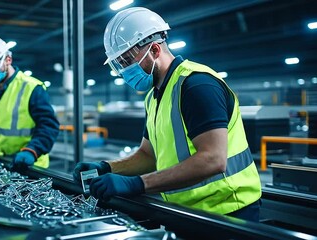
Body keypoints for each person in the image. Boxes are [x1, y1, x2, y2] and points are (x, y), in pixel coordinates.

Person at [73, 7, 262, 222]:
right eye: (120, 64)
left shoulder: (196, 85)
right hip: (188, 212)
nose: (124, 70)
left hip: (227, 213)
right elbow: (147, 156)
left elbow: (213, 159)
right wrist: (106, 167)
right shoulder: (153, 97)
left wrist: (137, 183)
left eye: (127, 61)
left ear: (154, 50)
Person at [0, 36, 60, 170]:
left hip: (31, 165)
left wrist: (32, 150)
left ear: (8, 59)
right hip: (2, 159)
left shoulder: (31, 88)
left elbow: (49, 126)